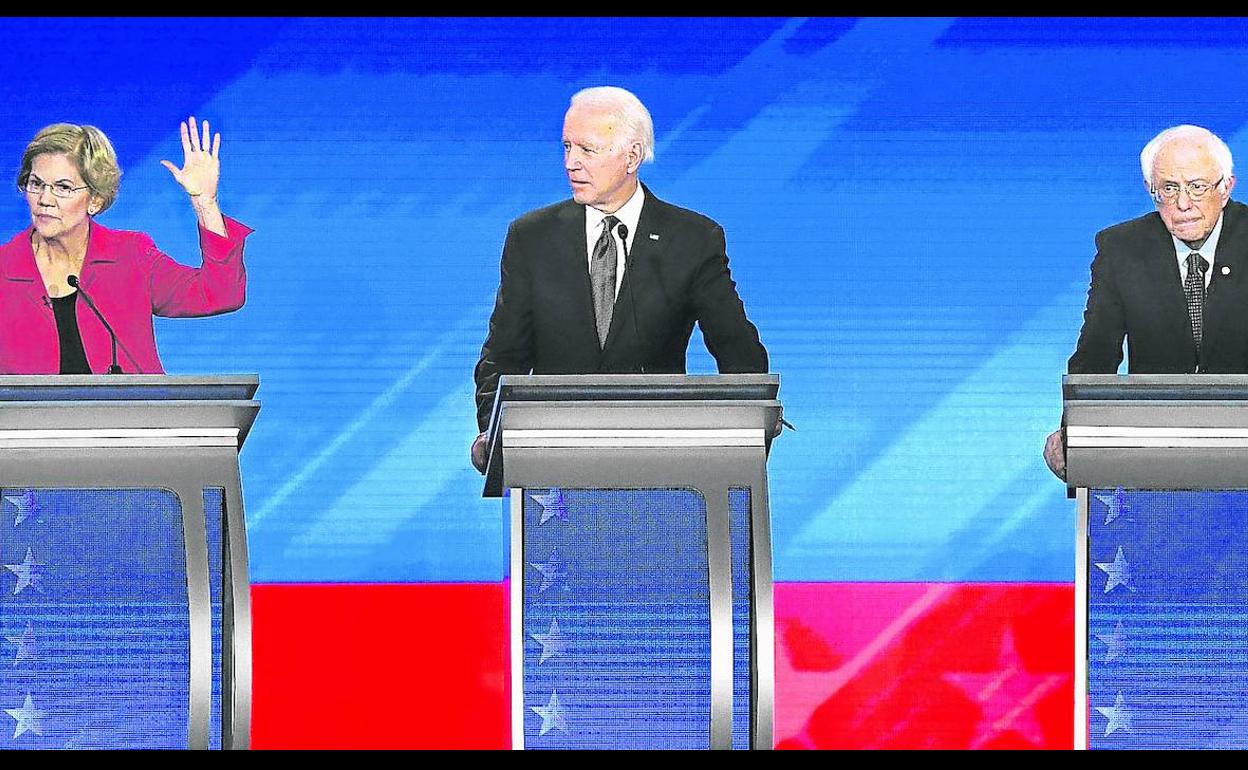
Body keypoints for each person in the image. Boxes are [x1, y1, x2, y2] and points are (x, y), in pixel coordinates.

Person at [471, 86, 768, 472]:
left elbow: (740, 356)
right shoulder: (532, 237)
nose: (570, 163)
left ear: (633, 156)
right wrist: (496, 439)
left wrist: (743, 449)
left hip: (661, 467)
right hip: (555, 468)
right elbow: (502, 357)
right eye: (566, 147)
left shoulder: (692, 239)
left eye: (587, 150)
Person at [1044, 124, 1243, 479]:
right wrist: (1075, 434)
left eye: (1197, 187)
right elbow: (1095, 355)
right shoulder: (1122, 249)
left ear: (1226, 187)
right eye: (1169, 189)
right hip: (1158, 449)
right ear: (1151, 191)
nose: (1183, 204)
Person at [0, 117, 252, 375]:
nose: (44, 199)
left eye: (62, 187)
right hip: (29, 416)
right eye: (36, 184)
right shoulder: (4, 269)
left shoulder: (130, 257)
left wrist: (205, 204)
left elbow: (222, 293)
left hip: (132, 414)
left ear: (95, 201)